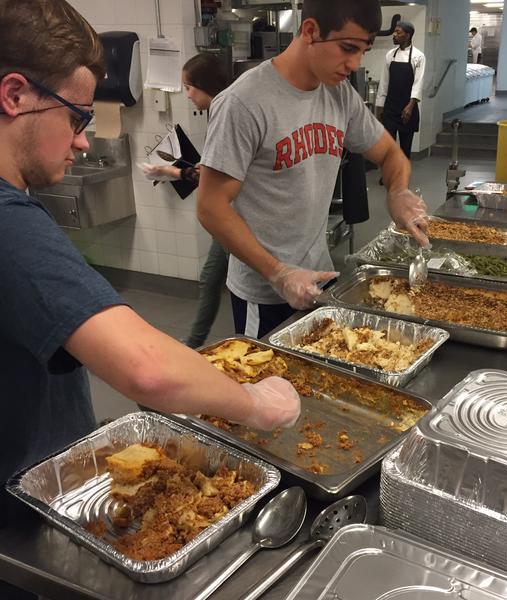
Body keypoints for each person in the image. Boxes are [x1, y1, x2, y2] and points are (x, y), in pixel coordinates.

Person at [0, 5, 301, 597]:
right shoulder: (9, 224)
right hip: (21, 536)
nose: (85, 141)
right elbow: (147, 370)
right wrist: (258, 403)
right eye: (77, 116)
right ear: (14, 95)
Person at [197, 0, 429, 340]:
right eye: (348, 48)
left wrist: (397, 192)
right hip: (264, 292)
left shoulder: (339, 94)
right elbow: (210, 208)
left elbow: (392, 155)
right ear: (310, 31)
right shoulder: (244, 102)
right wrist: (278, 274)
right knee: (265, 386)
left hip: (318, 277)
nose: (354, 64)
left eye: (363, 51)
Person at [142, 53, 230, 349]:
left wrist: (169, 171)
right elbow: (209, 171)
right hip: (232, 216)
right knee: (211, 277)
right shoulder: (221, 109)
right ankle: (193, 344)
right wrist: (169, 171)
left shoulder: (226, 112)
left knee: (243, 285)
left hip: (238, 217)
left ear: (205, 85)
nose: (188, 96)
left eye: (189, 88)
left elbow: (211, 175)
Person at [375, 20, 426, 161]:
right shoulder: (390, 55)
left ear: (408, 35)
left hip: (407, 108)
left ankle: (403, 178)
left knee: (405, 147)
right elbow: (384, 82)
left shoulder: (418, 56)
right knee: (388, 146)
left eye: (398, 32)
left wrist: (410, 106)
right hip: (391, 107)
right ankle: (388, 175)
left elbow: (418, 83)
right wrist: (380, 107)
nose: (394, 35)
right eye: (395, 32)